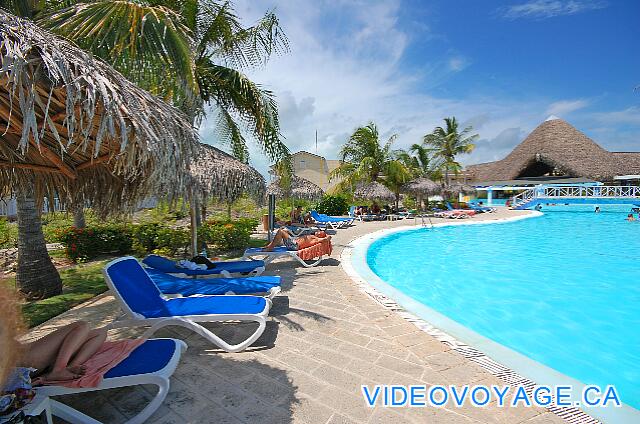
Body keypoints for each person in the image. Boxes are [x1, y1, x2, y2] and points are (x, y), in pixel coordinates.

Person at [20, 321, 107, 383]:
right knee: (81, 326)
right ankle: (59, 369)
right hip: (20, 362)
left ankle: (70, 367)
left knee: (100, 333)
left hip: (23, 358)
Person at [263, 227, 328, 251]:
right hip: (294, 243)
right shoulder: (312, 236)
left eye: (320, 232)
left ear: (321, 236)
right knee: (283, 231)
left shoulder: (316, 239)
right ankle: (270, 246)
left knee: (281, 231)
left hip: (295, 245)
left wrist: (328, 237)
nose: (318, 231)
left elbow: (325, 239)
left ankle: (270, 247)